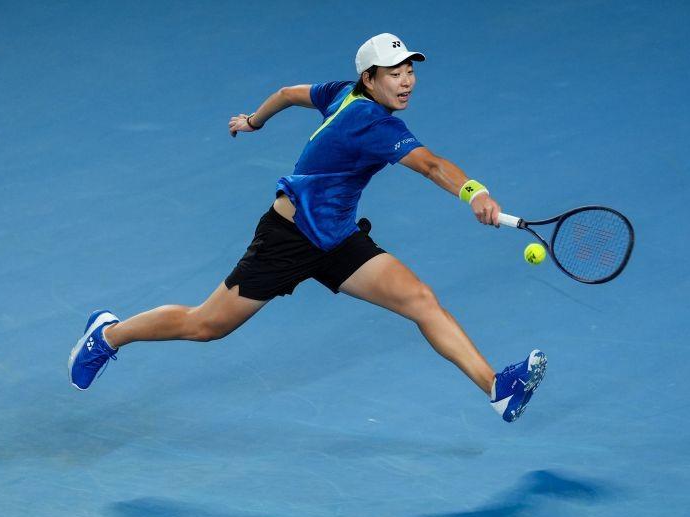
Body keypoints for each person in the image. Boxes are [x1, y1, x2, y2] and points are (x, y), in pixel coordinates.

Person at [68, 33, 546, 422]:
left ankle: (496, 388)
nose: (406, 82)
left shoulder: (341, 92)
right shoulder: (371, 122)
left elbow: (286, 94)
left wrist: (253, 121)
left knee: (420, 300)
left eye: (409, 70)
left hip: (336, 238)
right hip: (288, 239)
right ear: (369, 78)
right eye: (394, 73)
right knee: (205, 325)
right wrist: (474, 193)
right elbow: (431, 165)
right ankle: (108, 335)